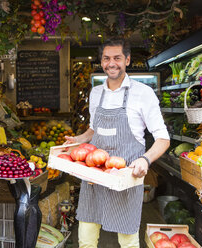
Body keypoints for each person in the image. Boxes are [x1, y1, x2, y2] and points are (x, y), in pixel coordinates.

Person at [64, 38, 170, 248]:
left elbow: (163, 138)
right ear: (101, 62)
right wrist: (78, 140)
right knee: (85, 237)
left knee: (128, 239)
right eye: (106, 58)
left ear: (127, 60)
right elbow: (94, 130)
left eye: (117, 58)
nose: (111, 63)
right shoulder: (96, 93)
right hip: (95, 174)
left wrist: (145, 160)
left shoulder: (143, 93)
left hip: (126, 176)